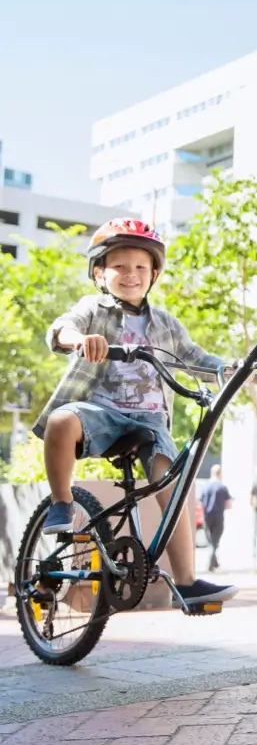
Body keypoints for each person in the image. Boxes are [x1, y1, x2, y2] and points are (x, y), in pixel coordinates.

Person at [32, 217, 239, 607]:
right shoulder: (93, 308)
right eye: (120, 267)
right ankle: (61, 502)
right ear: (99, 272)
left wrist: (231, 370)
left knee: (174, 486)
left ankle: (187, 584)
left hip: (149, 421)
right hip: (101, 411)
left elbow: (196, 359)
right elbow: (61, 330)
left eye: (141, 267)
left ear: (154, 274)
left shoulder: (166, 324)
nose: (131, 275)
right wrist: (80, 340)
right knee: (61, 420)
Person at [200, 464, 232, 571]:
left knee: (210, 540)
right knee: (215, 541)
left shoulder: (205, 486)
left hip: (207, 516)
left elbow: (201, 503)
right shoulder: (222, 487)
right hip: (218, 516)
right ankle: (210, 563)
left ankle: (215, 563)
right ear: (219, 473)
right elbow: (228, 504)